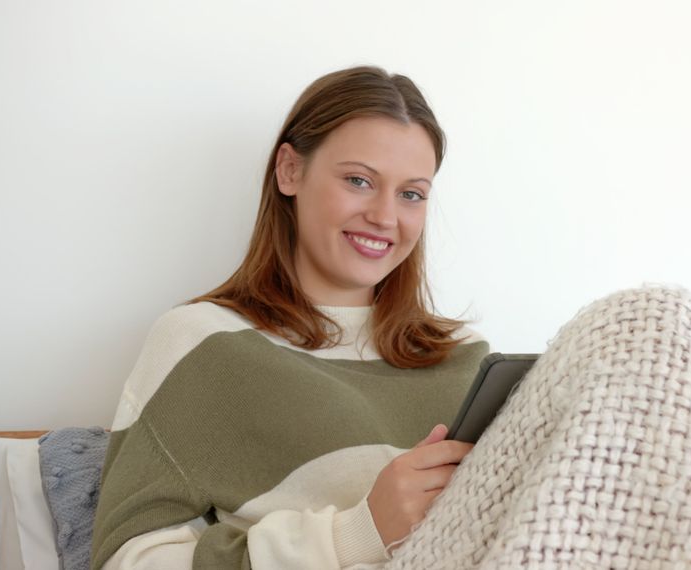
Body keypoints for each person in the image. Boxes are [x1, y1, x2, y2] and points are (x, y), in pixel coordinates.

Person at [91, 65, 490, 569]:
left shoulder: (468, 360)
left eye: (411, 193)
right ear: (289, 171)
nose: (386, 217)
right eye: (359, 180)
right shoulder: (204, 346)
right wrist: (357, 532)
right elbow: (127, 560)